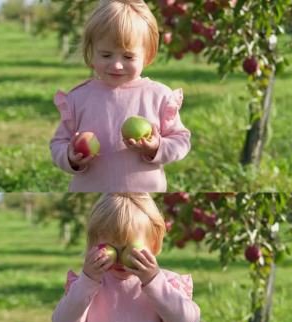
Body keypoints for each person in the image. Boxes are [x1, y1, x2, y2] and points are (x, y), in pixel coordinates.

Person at [52, 193, 200, 322]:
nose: (121, 258)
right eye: (111, 248)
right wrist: (88, 281)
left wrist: (154, 281)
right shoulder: (89, 285)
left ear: (153, 245)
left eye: (130, 249)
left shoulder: (165, 284)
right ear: (94, 245)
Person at [50, 0, 191, 192]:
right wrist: (69, 156)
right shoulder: (79, 98)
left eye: (128, 57)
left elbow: (180, 140)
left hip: (144, 194)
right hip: (92, 192)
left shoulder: (158, 95)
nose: (116, 65)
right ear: (91, 53)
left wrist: (156, 147)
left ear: (147, 55)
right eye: (106, 55)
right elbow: (58, 143)